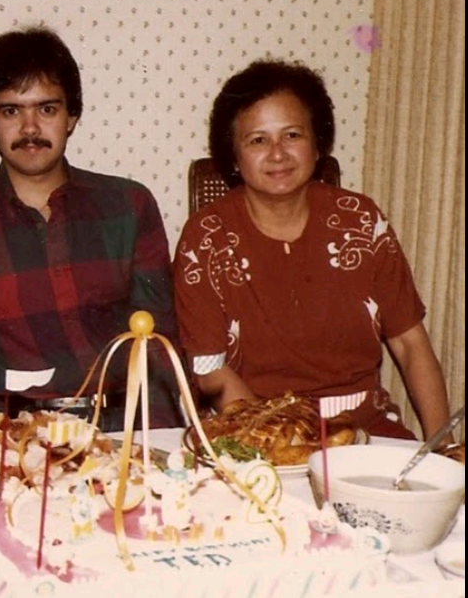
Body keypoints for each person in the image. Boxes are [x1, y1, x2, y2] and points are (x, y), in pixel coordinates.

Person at [173, 58, 450, 439]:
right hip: (255, 433)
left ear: (318, 144)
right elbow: (211, 372)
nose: (277, 154)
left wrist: (443, 450)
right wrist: (286, 443)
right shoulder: (204, 237)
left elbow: (410, 343)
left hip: (364, 430)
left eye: (292, 135)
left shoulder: (362, 221)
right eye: (258, 140)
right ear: (233, 158)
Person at [0, 26, 183, 431]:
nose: (30, 129)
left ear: (72, 116)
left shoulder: (129, 206)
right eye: (11, 110)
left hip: (122, 425)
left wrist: (165, 437)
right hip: (11, 436)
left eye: (46, 109)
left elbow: (159, 343)